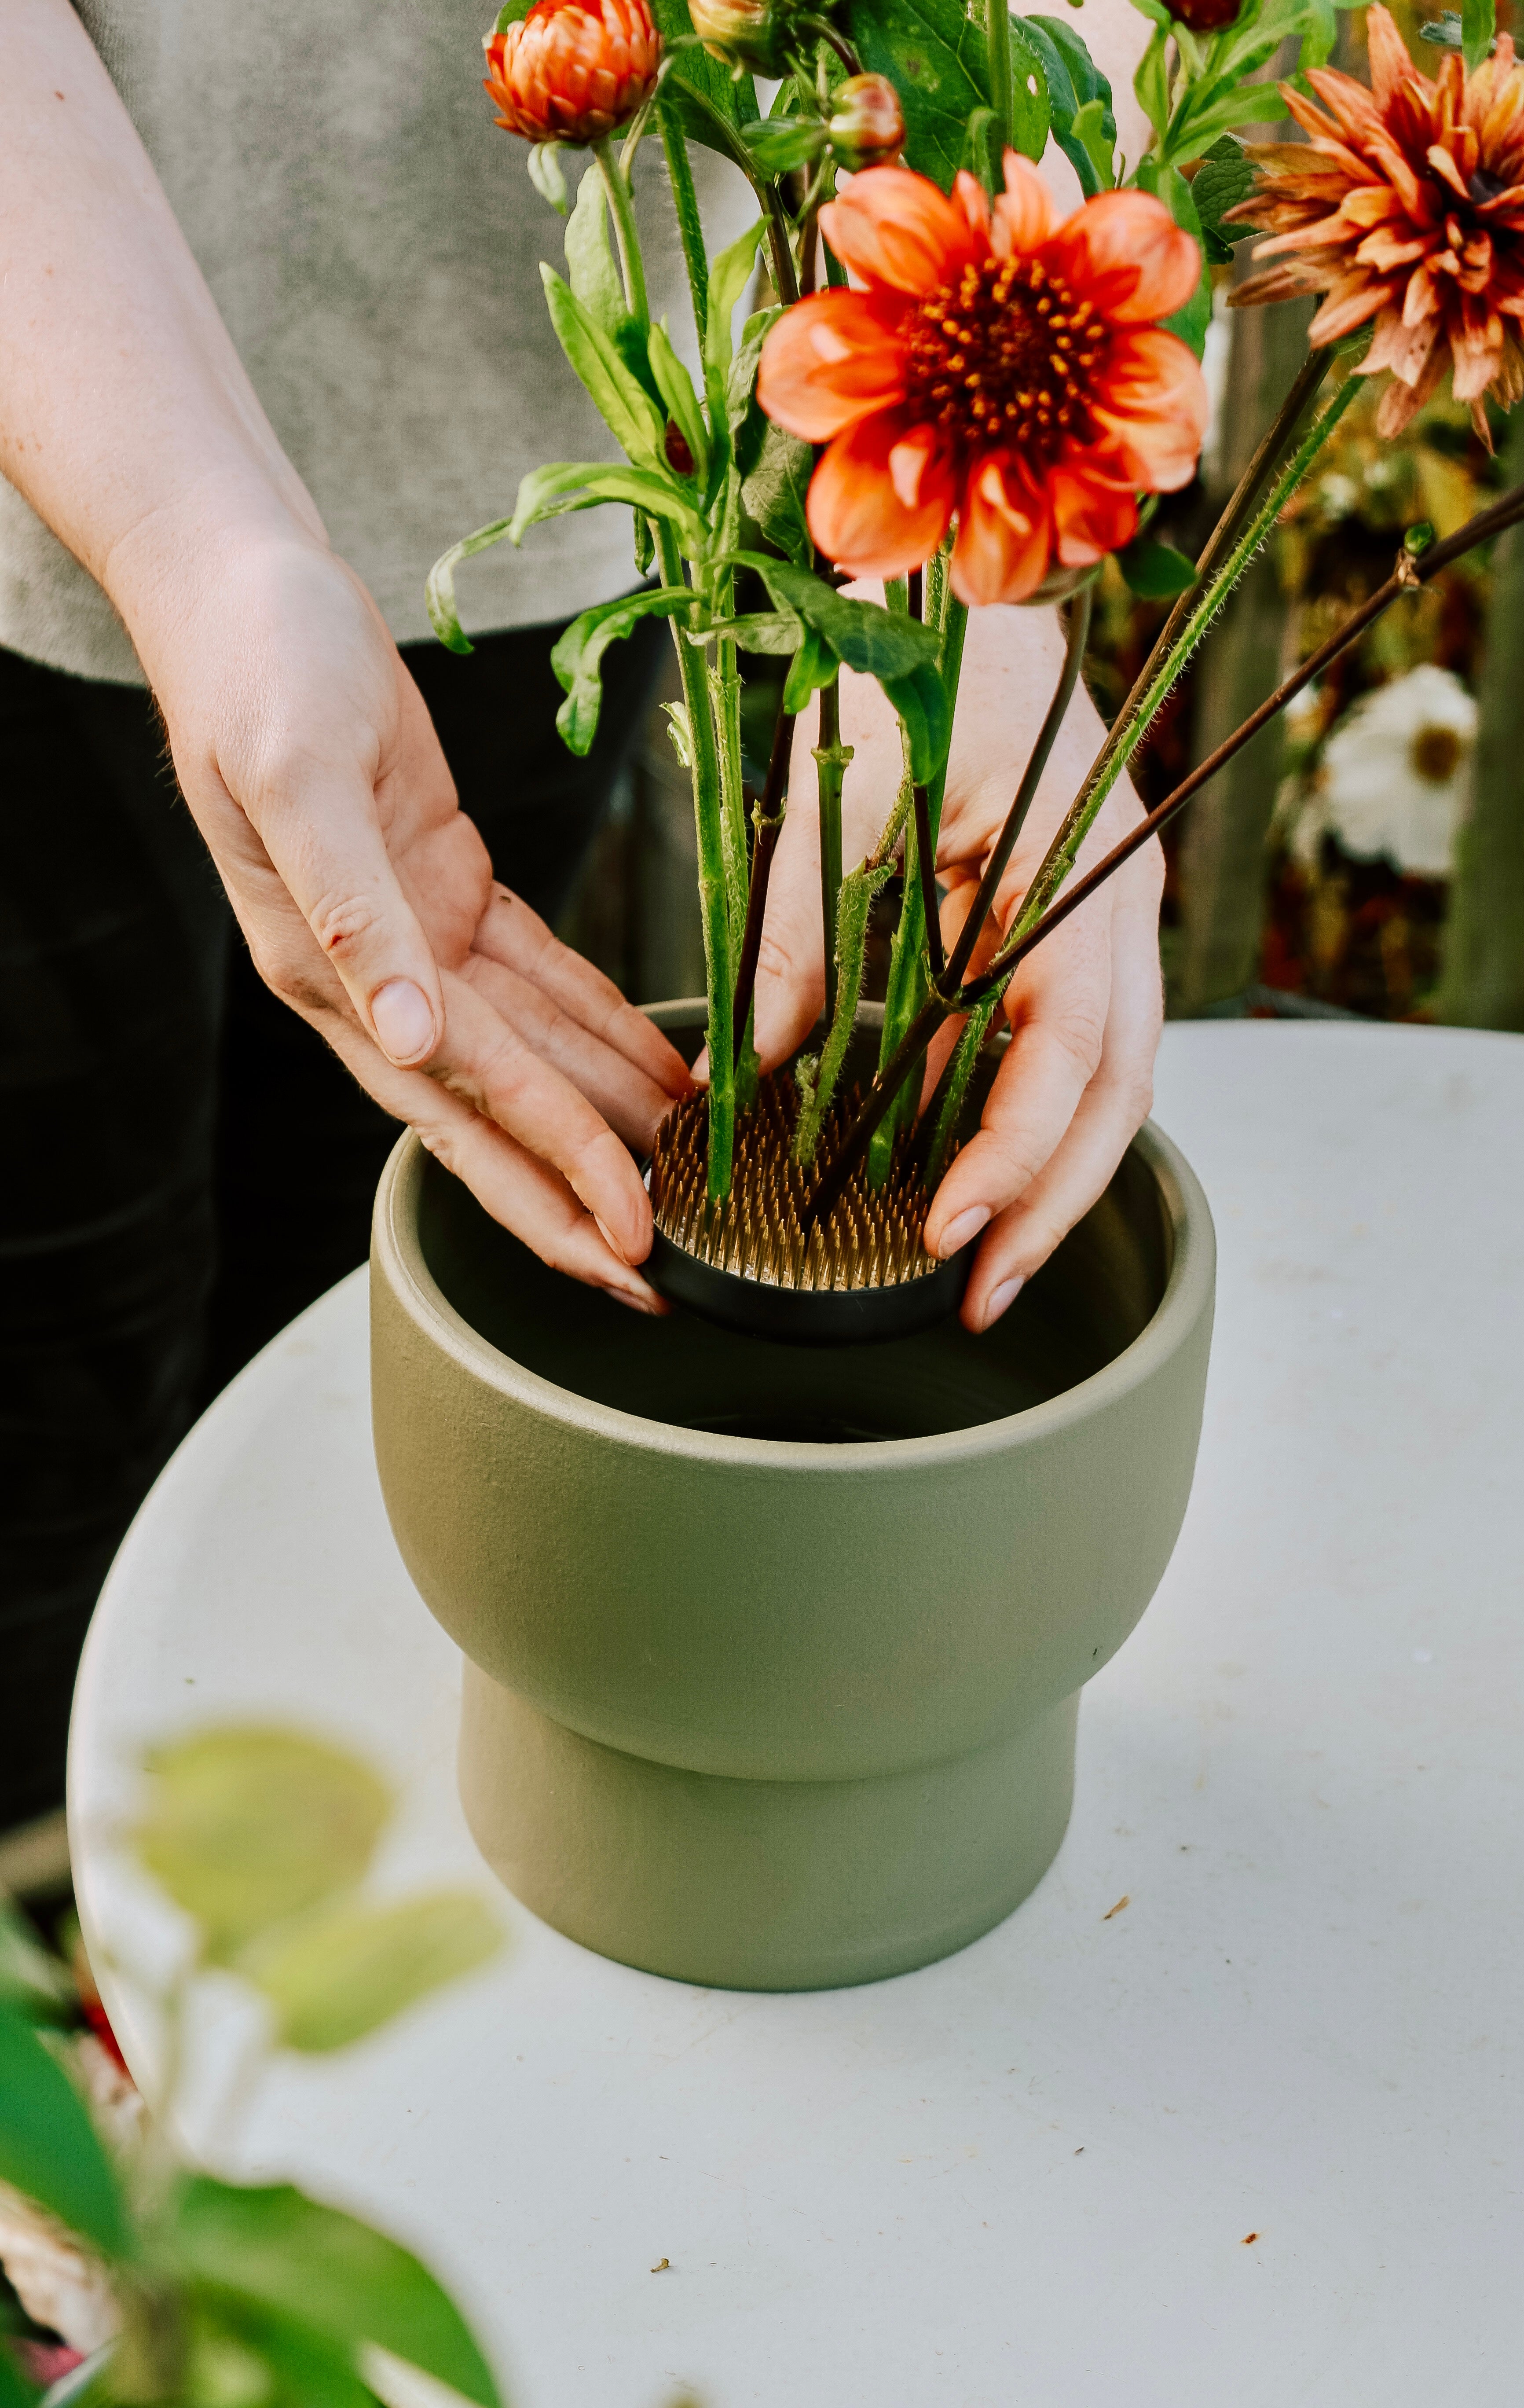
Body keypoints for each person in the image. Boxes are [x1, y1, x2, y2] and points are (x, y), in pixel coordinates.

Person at [0, 0, 1165, 1830]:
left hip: (574, 428)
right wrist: (185, 533)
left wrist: (983, 570)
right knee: (52, 1319)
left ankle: (299, 1845)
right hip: (49, 373)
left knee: (390, 1251)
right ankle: (56, 1954)